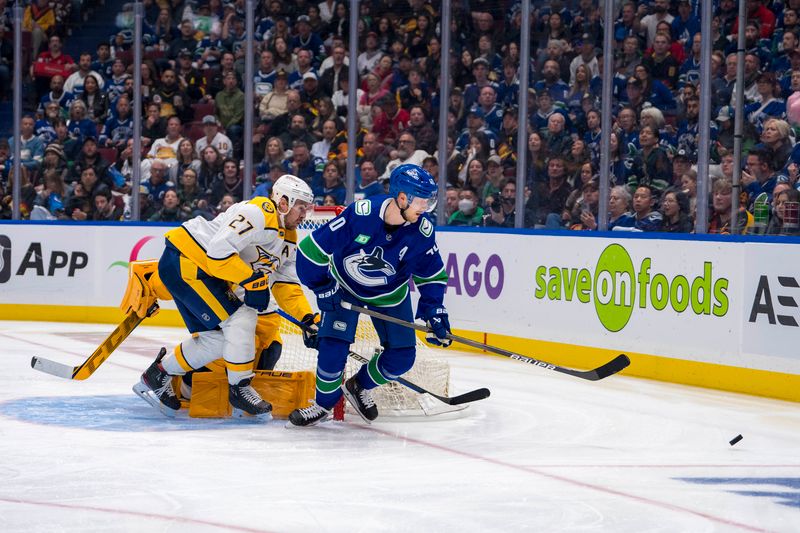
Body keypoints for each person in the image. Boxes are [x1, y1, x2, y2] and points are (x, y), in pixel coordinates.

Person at [132, 175, 317, 418]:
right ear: (283, 202)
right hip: (187, 260)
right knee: (242, 318)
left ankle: (157, 374)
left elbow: (285, 284)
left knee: (217, 341)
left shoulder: (289, 239)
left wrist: (307, 317)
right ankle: (239, 388)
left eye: (307, 208)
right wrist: (253, 282)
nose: (305, 215)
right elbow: (218, 253)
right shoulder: (259, 212)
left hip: (200, 271)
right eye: (301, 207)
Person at [288, 164, 451, 426]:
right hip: (345, 289)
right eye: (421, 200)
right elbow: (309, 249)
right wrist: (322, 286)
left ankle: (359, 385)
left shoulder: (422, 232)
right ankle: (322, 405)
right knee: (332, 354)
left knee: (402, 357)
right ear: (401, 198)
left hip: (391, 295)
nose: (425, 208)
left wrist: (435, 310)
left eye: (429, 201)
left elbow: (431, 275)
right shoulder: (362, 215)